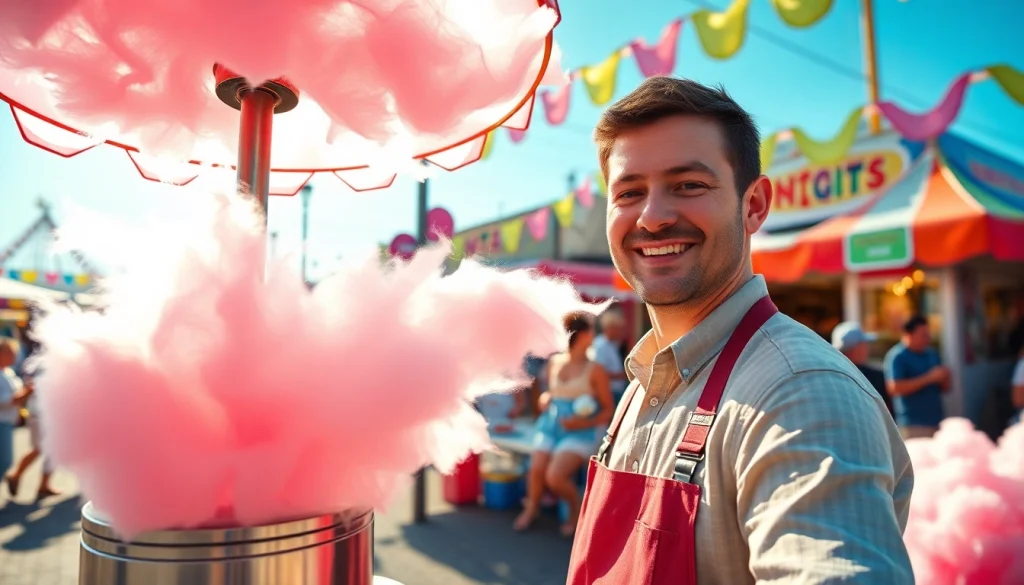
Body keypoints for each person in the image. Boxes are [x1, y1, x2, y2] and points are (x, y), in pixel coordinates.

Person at [566, 77, 913, 585]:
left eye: (689, 185)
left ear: (753, 206)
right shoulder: (644, 377)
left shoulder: (801, 392)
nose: (654, 217)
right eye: (629, 192)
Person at [514, 312, 614, 537]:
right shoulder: (555, 361)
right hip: (551, 424)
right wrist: (545, 397)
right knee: (536, 468)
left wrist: (581, 422)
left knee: (554, 476)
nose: (594, 334)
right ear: (582, 335)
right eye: (590, 330)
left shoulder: (596, 369)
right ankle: (532, 509)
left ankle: (576, 510)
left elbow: (608, 410)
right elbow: (550, 391)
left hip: (581, 430)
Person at [883, 315, 948, 439]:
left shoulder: (931, 354)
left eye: (928, 334)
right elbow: (894, 388)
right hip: (913, 425)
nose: (927, 339)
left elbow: (945, 388)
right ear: (909, 335)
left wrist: (945, 377)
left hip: (936, 421)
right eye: (923, 335)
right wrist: (929, 378)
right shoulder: (897, 356)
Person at [832, 321, 894, 418]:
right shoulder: (875, 377)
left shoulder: (832, 376)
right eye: (864, 344)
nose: (867, 347)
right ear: (856, 348)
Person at [1, 337, 29, 504]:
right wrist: (25, 393)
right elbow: (4, 400)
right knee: (4, 461)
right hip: (2, 422)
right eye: (11, 353)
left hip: (7, 422)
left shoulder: (7, 372)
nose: (14, 356)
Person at [587, 309, 629, 405]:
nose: (621, 332)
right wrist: (622, 375)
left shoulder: (613, 344)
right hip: (608, 393)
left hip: (616, 391)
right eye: (619, 328)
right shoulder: (600, 345)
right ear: (610, 328)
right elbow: (597, 373)